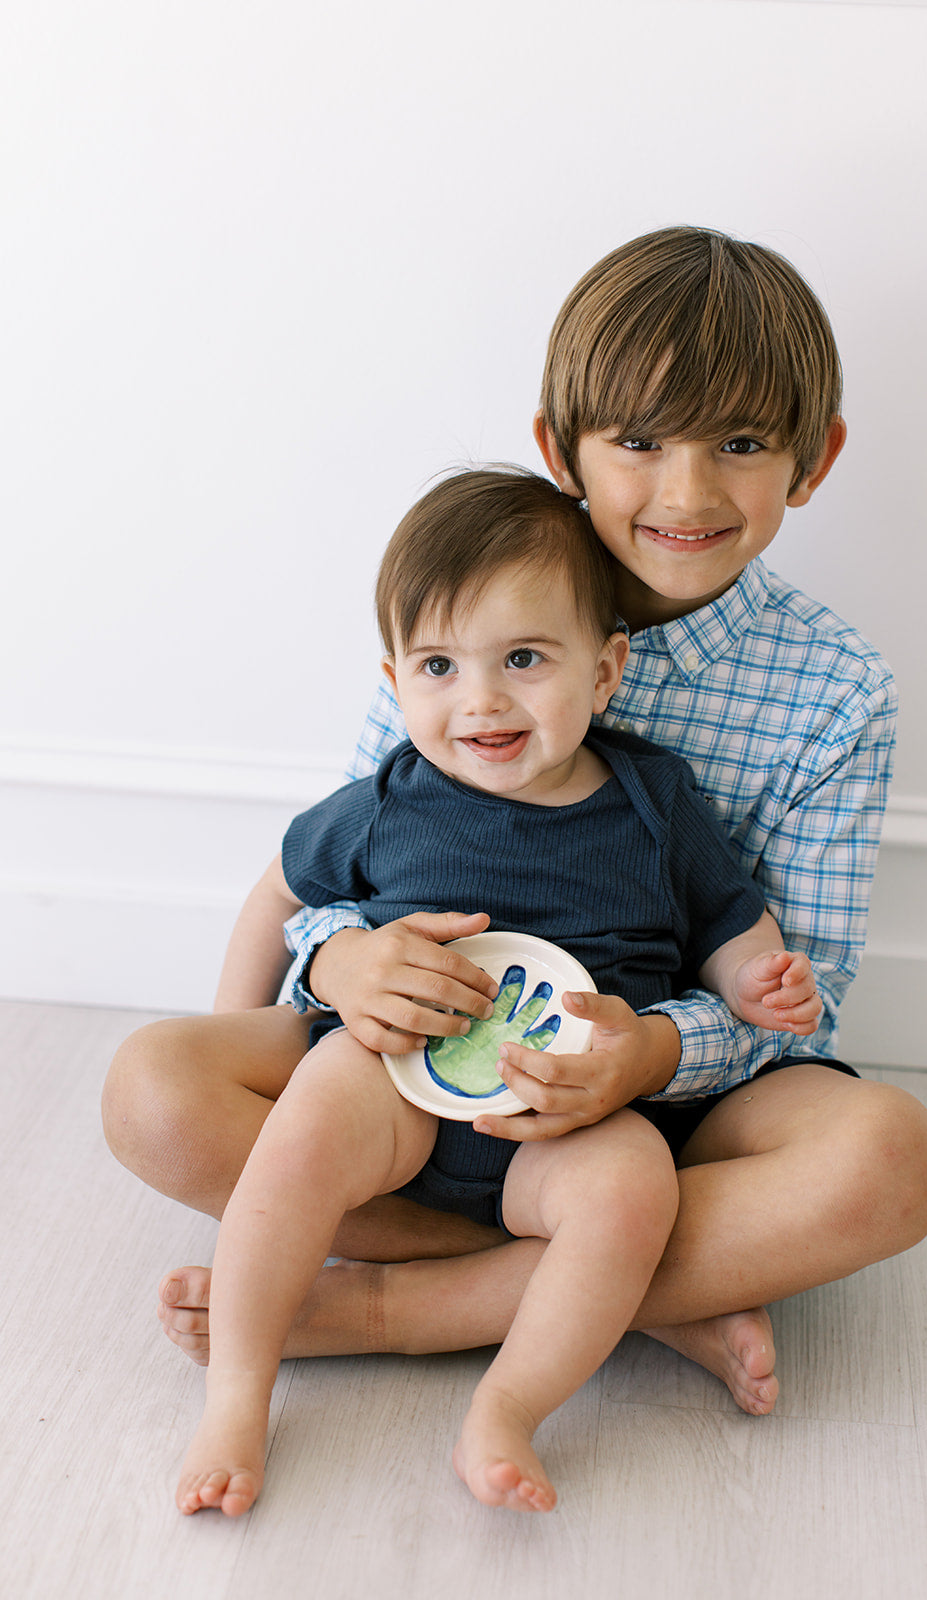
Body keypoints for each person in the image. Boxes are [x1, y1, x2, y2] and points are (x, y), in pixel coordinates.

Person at [104, 224, 927, 1445]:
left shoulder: (833, 689)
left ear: (809, 460)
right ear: (560, 448)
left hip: (644, 1102)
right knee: (152, 1089)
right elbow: (339, 870)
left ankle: (403, 1306)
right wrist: (337, 962)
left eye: (743, 443)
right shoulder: (457, 603)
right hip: (416, 1076)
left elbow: (799, 1000)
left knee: (891, 1160)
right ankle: (632, 1294)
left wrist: (645, 1057)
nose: (686, 492)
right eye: (638, 441)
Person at [173, 468, 822, 1516]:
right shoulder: (389, 796)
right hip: (390, 1086)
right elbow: (280, 895)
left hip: (567, 1110)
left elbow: (725, 926)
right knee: (295, 1140)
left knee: (632, 1194)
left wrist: (761, 976)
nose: (479, 698)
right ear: (394, 680)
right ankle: (236, 1396)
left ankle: (507, 1407)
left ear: (604, 669)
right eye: (438, 665)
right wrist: (239, 1023)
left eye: (522, 658)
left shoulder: (654, 800)